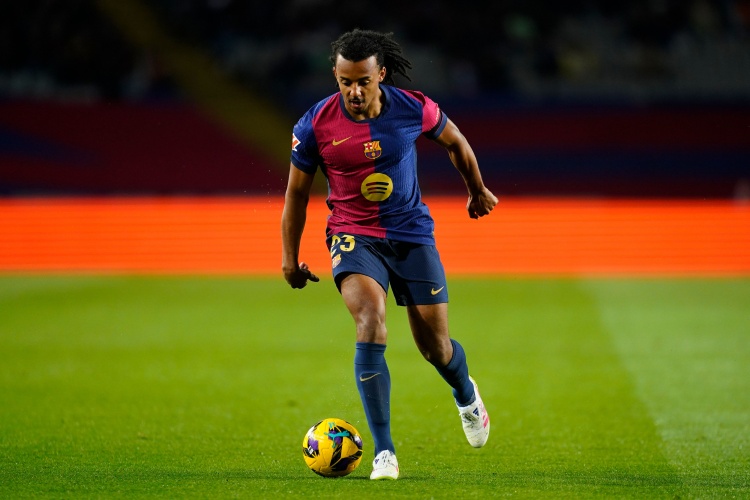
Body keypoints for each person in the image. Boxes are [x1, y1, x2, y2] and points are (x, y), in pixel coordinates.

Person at [281, 28, 498, 480]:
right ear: (335, 75)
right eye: (345, 82)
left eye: (363, 81)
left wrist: (477, 190)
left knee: (435, 348)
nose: (354, 92)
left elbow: (456, 142)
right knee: (369, 320)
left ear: (380, 74)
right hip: (353, 235)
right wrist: (289, 257)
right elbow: (296, 195)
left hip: (411, 234)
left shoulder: (413, 107)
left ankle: (466, 395)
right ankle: (385, 452)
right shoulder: (315, 125)